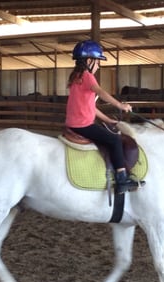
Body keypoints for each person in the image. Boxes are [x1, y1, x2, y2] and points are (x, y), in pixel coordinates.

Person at [66, 39, 145, 194]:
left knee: (110, 134)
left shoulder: (76, 78)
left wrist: (108, 120)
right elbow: (101, 92)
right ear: (89, 60)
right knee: (114, 140)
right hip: (83, 125)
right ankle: (122, 179)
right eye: (97, 61)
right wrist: (120, 105)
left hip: (75, 123)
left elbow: (91, 108)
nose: (98, 65)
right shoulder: (87, 76)